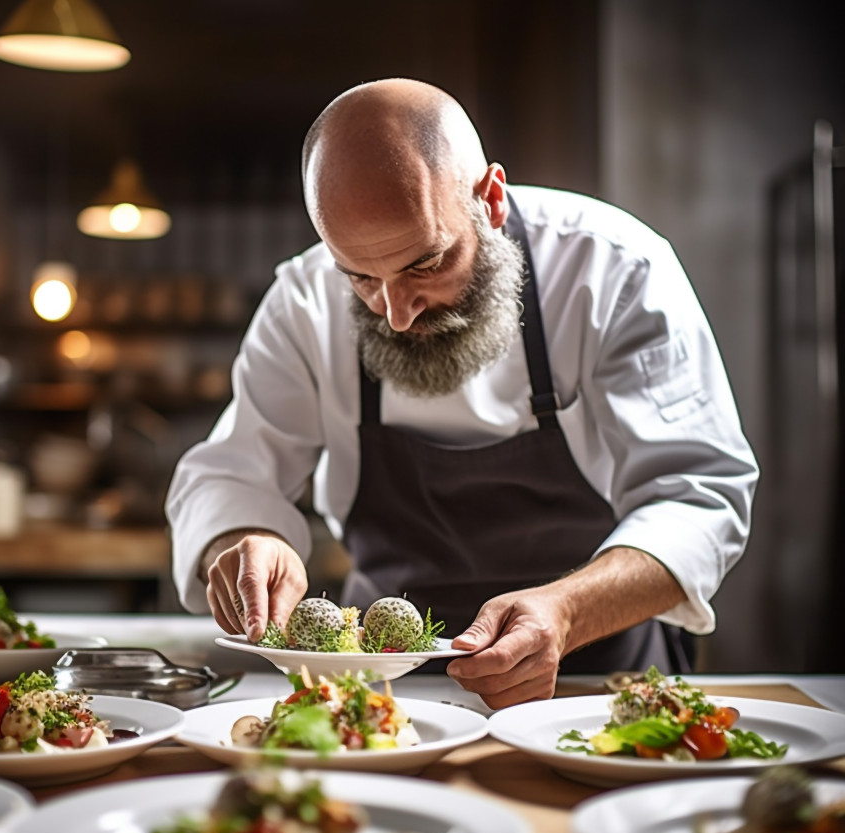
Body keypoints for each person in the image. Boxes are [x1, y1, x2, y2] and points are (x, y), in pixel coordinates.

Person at [166, 78, 758, 708]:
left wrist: (566, 613)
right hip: (382, 690)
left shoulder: (614, 270)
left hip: (596, 681)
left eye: (424, 265)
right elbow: (229, 474)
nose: (395, 313)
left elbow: (698, 497)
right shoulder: (303, 300)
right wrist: (246, 539)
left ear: (491, 200)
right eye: (360, 276)